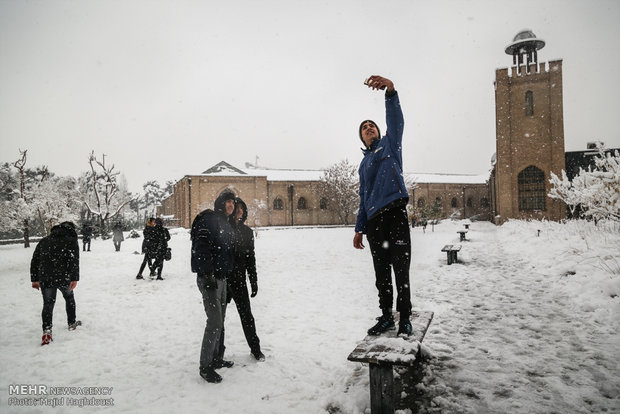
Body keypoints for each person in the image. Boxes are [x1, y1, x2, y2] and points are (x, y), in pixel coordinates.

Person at [353, 75, 413, 337]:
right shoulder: (363, 165)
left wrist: (390, 91)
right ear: (362, 138)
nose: (369, 128)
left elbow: (395, 121)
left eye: (371, 125)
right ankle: (387, 316)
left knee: (401, 270)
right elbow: (363, 197)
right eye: (364, 128)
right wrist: (359, 228)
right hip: (375, 223)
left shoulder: (391, 144)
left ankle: (405, 320)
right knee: (382, 274)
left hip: (396, 216)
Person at [191, 190, 236, 383]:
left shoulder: (225, 223)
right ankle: (205, 366)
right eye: (228, 202)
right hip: (209, 279)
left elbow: (225, 253)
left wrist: (227, 279)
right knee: (215, 322)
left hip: (222, 279)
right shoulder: (209, 220)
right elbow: (201, 247)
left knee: (221, 320)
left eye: (233, 203)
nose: (231, 205)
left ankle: (216, 358)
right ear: (220, 203)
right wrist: (207, 273)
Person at [30, 221, 82, 345]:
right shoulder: (71, 241)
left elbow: (35, 260)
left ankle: (47, 330)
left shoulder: (44, 241)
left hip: (46, 277)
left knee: (48, 304)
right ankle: (71, 323)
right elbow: (74, 261)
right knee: (69, 298)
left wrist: (34, 279)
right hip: (64, 277)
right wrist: (74, 278)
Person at [228, 197, 265, 361]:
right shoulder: (223, 228)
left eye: (242, 209)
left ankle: (255, 349)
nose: (239, 211)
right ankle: (217, 353)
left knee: (247, 316)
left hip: (239, 280)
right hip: (223, 280)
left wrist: (253, 281)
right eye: (237, 207)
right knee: (217, 320)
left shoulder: (247, 232)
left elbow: (250, 258)